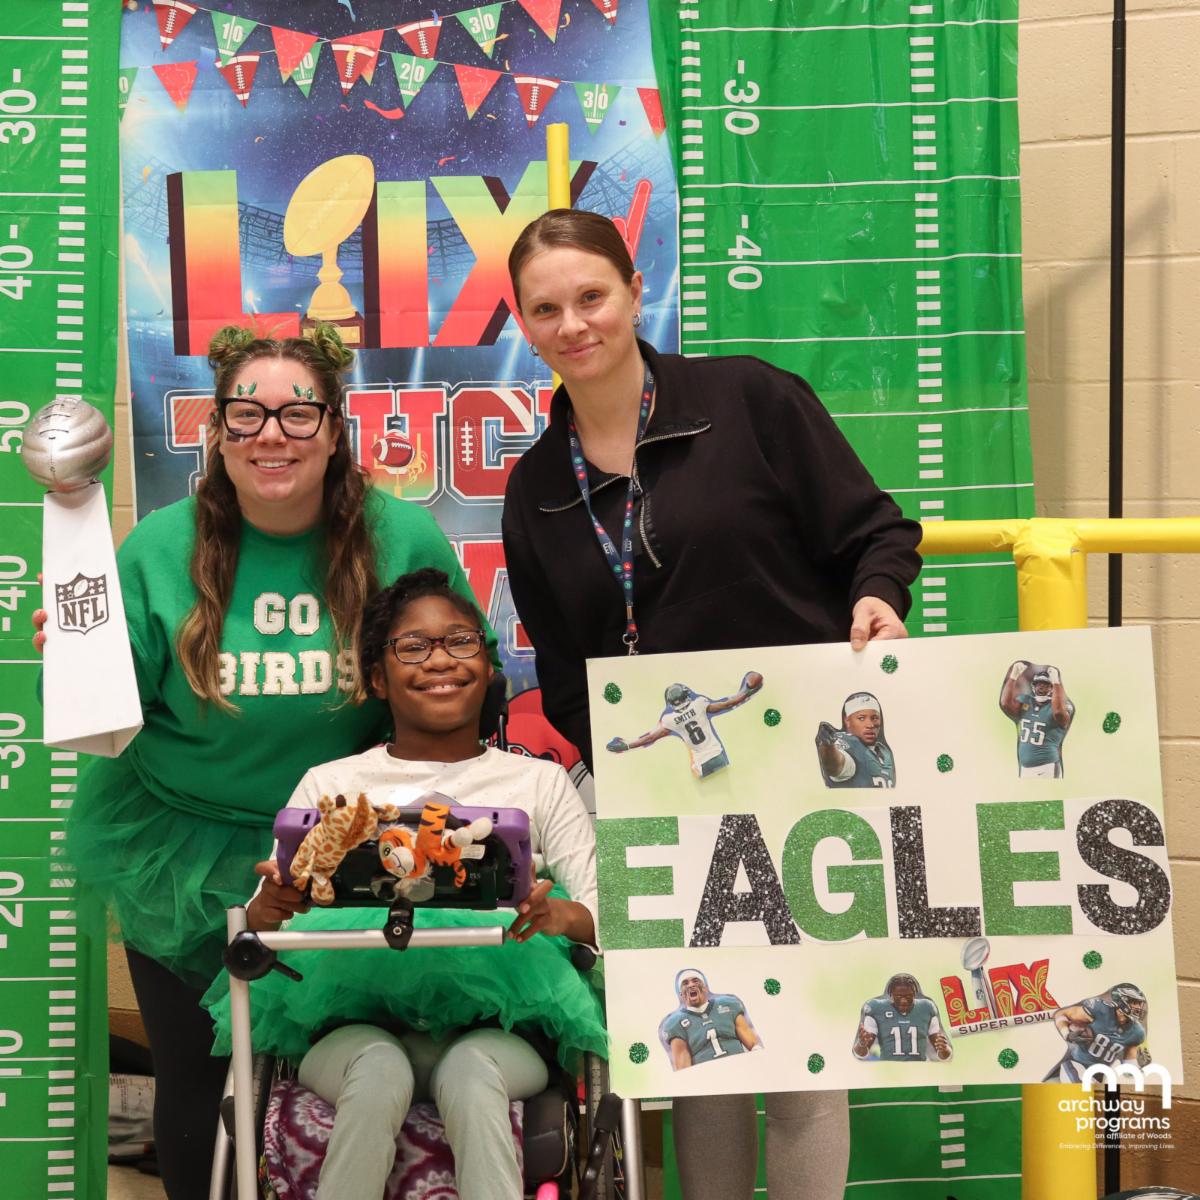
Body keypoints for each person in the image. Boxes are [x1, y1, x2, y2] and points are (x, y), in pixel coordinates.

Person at [501, 209, 923, 1200]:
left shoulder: (748, 401)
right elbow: (563, 669)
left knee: (804, 1051)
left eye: (591, 297)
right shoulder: (536, 486)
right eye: (546, 309)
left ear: (634, 292)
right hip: (662, 794)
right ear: (523, 324)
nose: (573, 324)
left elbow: (877, 533)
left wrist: (877, 598)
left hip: (805, 772)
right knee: (705, 1055)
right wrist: (629, 754)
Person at [38, 326, 493, 1200]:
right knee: (200, 1081)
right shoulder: (158, 548)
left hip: (347, 845)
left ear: (334, 429)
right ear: (216, 429)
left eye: (296, 413)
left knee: (353, 1070)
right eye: (246, 414)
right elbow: (98, 717)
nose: (270, 434)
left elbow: (462, 674)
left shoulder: (401, 538)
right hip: (182, 848)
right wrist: (73, 660)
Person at [216, 568, 604, 1200]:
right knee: (376, 1071)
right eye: (414, 647)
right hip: (348, 1029)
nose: (441, 661)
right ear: (377, 677)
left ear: (487, 662)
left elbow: (601, 915)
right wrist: (274, 904)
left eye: (461, 641)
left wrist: (561, 917)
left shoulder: (539, 784)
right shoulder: (331, 783)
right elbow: (260, 927)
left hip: (501, 1032)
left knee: (473, 1074)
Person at [606, 672, 762, 779]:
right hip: (718, 755)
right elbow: (728, 704)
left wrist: (626, 745)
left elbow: (649, 738)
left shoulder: (670, 720)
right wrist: (747, 691)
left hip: (702, 764)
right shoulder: (699, 703)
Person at [1044, 983, 1148, 1083]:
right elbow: (1061, 1014)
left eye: (1140, 1004)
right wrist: (1067, 1034)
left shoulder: (1136, 1032)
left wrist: (1138, 1066)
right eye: (1134, 1002)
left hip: (1097, 1077)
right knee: (1082, 1090)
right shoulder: (1099, 1010)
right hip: (1075, 1065)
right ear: (1121, 1001)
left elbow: (1128, 1070)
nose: (1139, 1007)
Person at [660, 968, 761, 1069]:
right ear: (681, 994)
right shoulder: (675, 1023)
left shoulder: (728, 1004)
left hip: (739, 1067)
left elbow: (753, 1044)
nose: (691, 985)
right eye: (685, 983)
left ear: (705, 988)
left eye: (695, 981)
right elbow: (684, 1068)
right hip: (707, 1075)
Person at [999, 660, 1075, 777]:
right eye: (1038, 683)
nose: (1041, 686)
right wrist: (1013, 677)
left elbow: (1059, 713)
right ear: (1033, 686)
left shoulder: (1061, 706)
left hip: (1047, 767)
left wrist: (1056, 681)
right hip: (1024, 768)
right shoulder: (1026, 701)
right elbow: (1005, 704)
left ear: (1052, 688)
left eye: (1045, 684)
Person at [852, 974, 952, 1061]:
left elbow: (944, 1055)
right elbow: (860, 1054)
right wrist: (861, 1045)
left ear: (914, 995)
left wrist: (943, 1049)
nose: (904, 1001)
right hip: (887, 1069)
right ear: (891, 995)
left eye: (908, 996)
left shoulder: (927, 1008)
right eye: (898, 996)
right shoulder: (876, 1008)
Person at [816, 691, 896, 788]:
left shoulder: (885, 752)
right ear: (847, 721)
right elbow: (836, 765)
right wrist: (828, 745)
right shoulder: (846, 742)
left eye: (874, 718)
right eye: (861, 718)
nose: (870, 725)